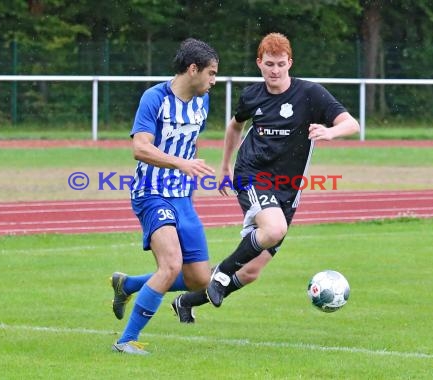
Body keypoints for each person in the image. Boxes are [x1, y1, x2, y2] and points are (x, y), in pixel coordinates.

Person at [171, 32, 360, 321]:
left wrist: (330, 131)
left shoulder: (310, 94)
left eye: (281, 64)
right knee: (273, 230)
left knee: (250, 271)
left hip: (288, 189)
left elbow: (351, 124)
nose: (275, 70)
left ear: (290, 63)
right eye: (269, 64)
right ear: (259, 63)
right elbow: (235, 127)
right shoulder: (251, 95)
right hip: (252, 174)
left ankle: (186, 302)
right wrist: (225, 168)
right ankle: (220, 274)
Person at [111, 38, 219, 354]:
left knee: (200, 279)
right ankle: (125, 341)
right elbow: (140, 147)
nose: (213, 81)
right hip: (151, 194)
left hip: (182, 197)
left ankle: (128, 284)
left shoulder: (203, 101)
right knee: (171, 265)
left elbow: (190, 142)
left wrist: (191, 170)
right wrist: (181, 163)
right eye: (211, 74)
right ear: (193, 69)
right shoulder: (154, 98)